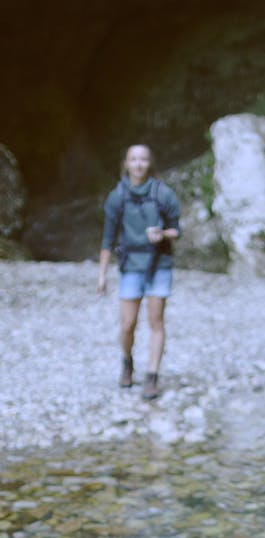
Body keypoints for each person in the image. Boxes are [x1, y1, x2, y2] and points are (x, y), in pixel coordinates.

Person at [97, 144, 180, 399]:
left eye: (143, 159)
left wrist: (162, 233)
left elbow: (177, 230)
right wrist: (102, 275)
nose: (138, 164)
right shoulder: (117, 197)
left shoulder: (163, 194)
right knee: (127, 324)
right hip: (130, 266)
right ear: (126, 163)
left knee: (156, 321)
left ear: (150, 163)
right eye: (133, 159)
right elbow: (108, 238)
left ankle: (152, 375)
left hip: (159, 264)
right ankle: (127, 361)